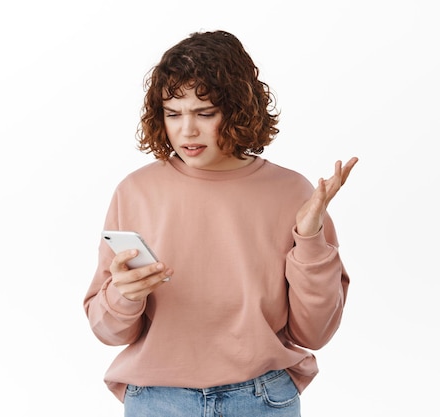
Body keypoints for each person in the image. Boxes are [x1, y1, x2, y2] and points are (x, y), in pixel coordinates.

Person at [83, 30, 358, 417]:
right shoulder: (136, 191)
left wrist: (310, 239)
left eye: (205, 113)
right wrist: (124, 296)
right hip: (157, 400)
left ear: (239, 109)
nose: (187, 131)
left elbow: (314, 332)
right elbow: (107, 330)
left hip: (261, 398)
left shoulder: (291, 191)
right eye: (173, 113)